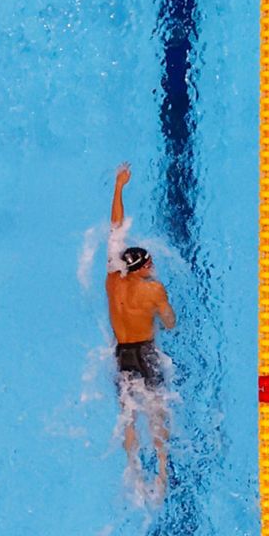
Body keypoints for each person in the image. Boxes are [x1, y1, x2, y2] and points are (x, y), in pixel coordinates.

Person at [105, 163, 177, 498]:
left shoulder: (112, 281)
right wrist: (166, 314)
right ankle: (161, 472)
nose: (153, 266)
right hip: (147, 352)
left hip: (123, 354)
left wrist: (119, 187)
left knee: (128, 414)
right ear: (144, 267)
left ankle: (133, 473)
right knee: (156, 411)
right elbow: (170, 322)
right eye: (150, 263)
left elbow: (114, 229)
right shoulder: (154, 290)